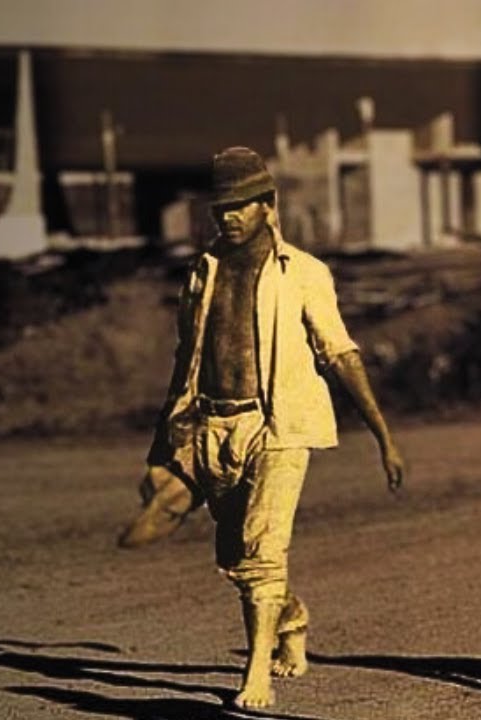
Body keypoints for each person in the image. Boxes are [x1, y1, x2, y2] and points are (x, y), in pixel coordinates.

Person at [144, 146, 406, 709]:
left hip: (281, 426)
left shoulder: (305, 273)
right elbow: (185, 357)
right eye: (221, 209)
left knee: (263, 551)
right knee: (238, 557)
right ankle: (292, 618)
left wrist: (384, 437)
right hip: (215, 425)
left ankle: (255, 676)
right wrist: (164, 442)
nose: (228, 217)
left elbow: (339, 353)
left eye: (240, 206)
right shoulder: (204, 271)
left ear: (268, 205)